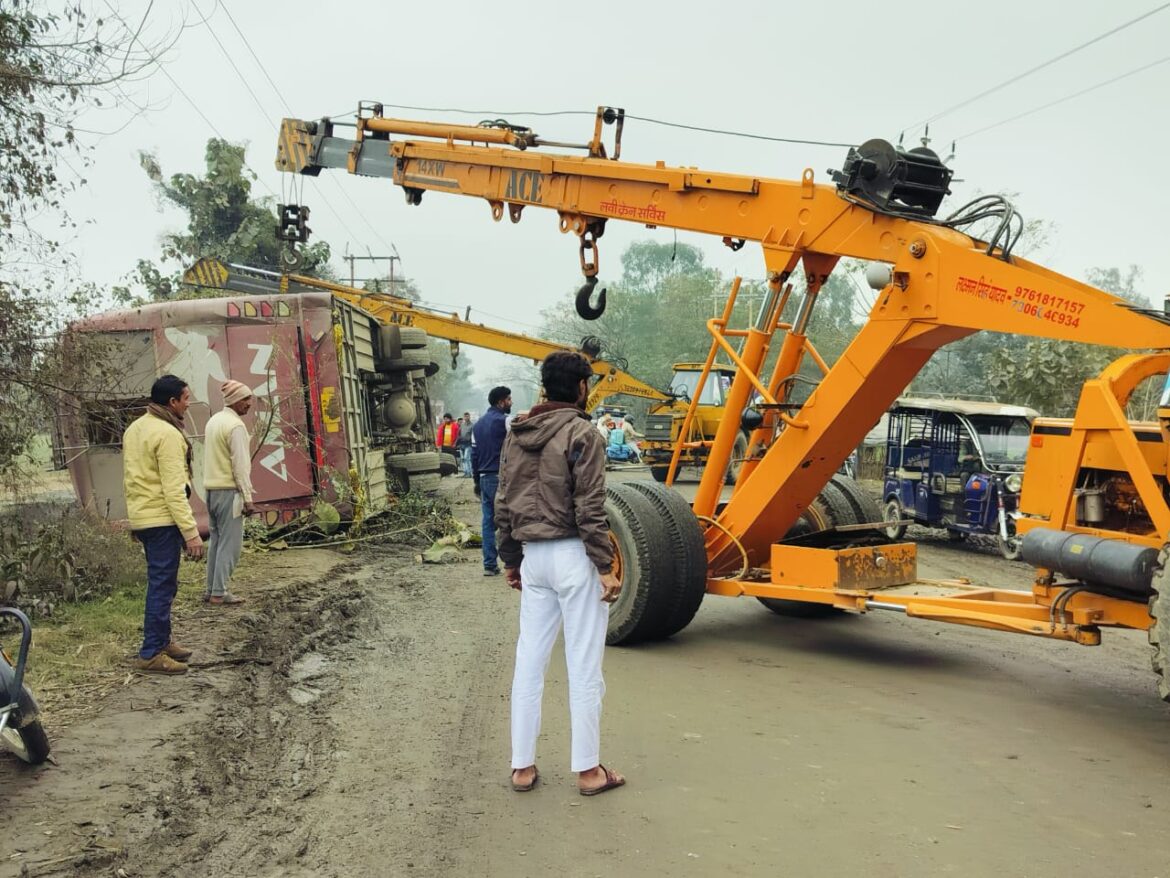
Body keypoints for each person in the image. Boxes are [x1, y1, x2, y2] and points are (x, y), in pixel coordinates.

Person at [495, 352, 626, 797]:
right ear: (583, 388)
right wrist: (605, 567)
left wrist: (512, 560)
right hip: (574, 557)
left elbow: (503, 502)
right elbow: (589, 508)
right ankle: (589, 772)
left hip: (535, 558)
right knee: (584, 665)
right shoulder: (583, 433)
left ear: (546, 386)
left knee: (529, 661)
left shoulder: (517, 435)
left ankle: (522, 767)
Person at [122, 374, 204, 675]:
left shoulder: (136, 427)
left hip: (144, 516)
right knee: (162, 585)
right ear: (172, 402)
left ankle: (163, 641)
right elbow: (173, 489)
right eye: (185, 398)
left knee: (164, 583)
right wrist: (191, 533)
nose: (188, 403)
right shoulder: (167, 434)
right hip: (162, 518)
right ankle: (151, 652)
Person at [202, 379, 255, 606]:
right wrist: (248, 497)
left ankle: (210, 589)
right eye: (246, 399)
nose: (249, 404)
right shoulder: (235, 427)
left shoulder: (214, 421)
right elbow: (240, 465)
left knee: (216, 541)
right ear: (234, 401)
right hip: (229, 492)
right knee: (230, 545)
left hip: (211, 491)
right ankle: (219, 592)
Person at [472, 386, 511, 576]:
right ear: (501, 402)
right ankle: (513, 563)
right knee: (509, 519)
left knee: (488, 522)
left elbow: (474, 454)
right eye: (509, 399)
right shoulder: (505, 422)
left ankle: (489, 565)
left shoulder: (477, 425)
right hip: (503, 478)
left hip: (485, 478)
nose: (511, 403)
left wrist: (476, 482)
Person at [455, 412, 474, 477]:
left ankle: (469, 473)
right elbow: (459, 434)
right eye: (465, 416)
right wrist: (456, 443)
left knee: (467, 458)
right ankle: (466, 472)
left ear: (469, 417)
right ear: (464, 417)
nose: (466, 418)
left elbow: (473, 435)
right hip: (462, 444)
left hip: (469, 444)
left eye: (467, 416)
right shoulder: (462, 425)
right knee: (463, 459)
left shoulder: (472, 425)